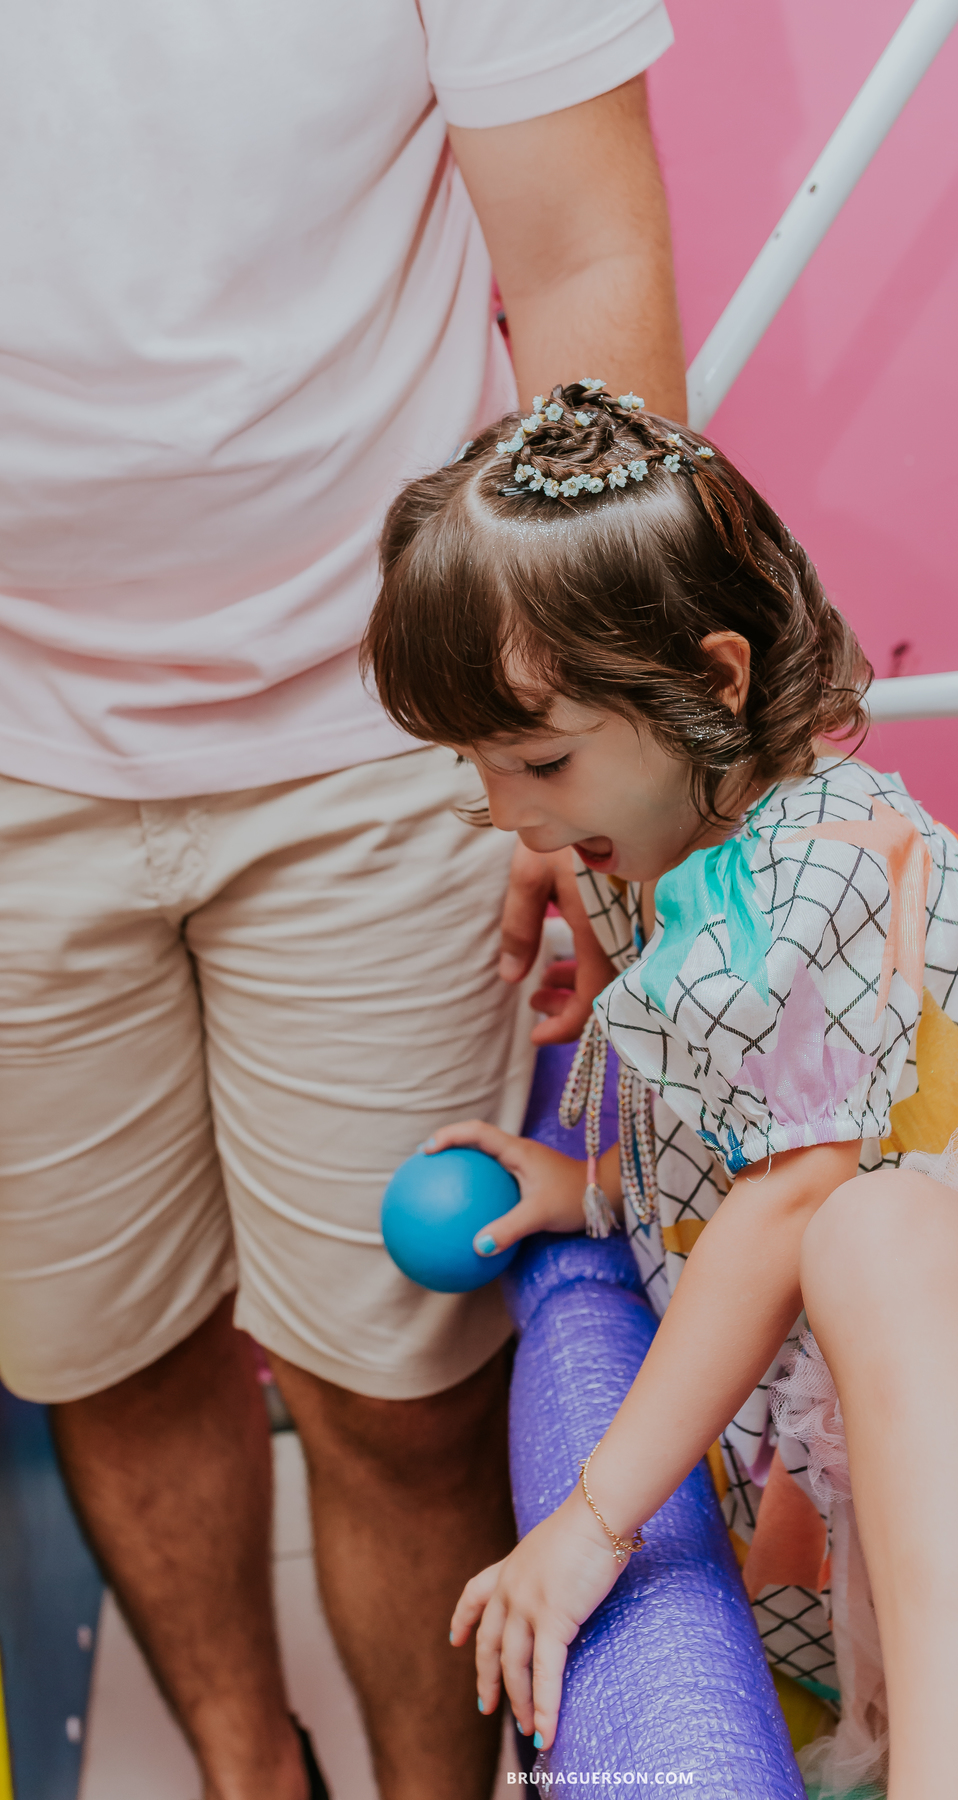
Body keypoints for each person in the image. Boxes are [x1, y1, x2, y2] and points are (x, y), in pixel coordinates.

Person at [0, 12, 686, 1797]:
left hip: (383, 718)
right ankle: (251, 1776)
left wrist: (563, 729)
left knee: (399, 1382)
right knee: (106, 1345)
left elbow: (587, 251)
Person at [361, 381, 958, 1800]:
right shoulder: (674, 846)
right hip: (908, 1419)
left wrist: (594, 1521)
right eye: (480, 769)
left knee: (870, 1228)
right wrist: (604, 1185)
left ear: (721, 679)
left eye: (542, 760)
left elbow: (801, 1182)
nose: (510, 814)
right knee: (855, 1230)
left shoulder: (812, 862)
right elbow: (766, 1130)